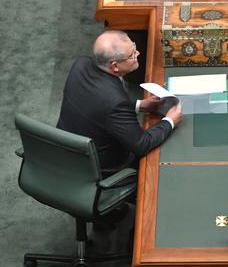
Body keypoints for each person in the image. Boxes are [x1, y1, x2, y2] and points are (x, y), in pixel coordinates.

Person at [57, 30, 182, 178]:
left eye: (134, 47)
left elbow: (96, 103)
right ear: (115, 66)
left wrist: (140, 105)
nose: (138, 54)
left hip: (67, 149)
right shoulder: (115, 102)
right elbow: (142, 144)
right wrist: (170, 120)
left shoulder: (81, 64)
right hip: (101, 167)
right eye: (132, 55)